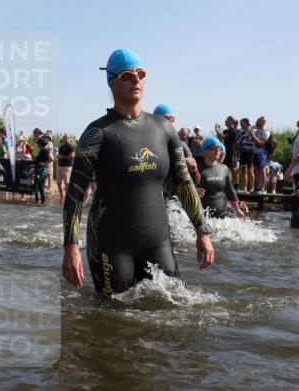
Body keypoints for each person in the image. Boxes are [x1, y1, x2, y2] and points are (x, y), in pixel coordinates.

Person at [62, 49, 213, 296]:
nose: (136, 79)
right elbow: (74, 195)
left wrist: (202, 231)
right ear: (112, 82)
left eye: (140, 74)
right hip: (111, 243)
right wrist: (70, 247)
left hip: (158, 241)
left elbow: (183, 183)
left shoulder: (163, 128)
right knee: (112, 319)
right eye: (127, 75)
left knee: (174, 311)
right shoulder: (97, 133)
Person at [197, 136, 245, 219]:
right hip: (204, 217)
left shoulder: (224, 169)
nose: (217, 150)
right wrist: (194, 189)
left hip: (222, 216)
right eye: (214, 148)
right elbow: (184, 189)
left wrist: (237, 209)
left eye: (219, 148)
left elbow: (230, 191)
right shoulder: (197, 169)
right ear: (205, 151)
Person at [250, 116, 271, 193]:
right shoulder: (257, 131)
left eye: (258, 120)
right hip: (255, 153)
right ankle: (257, 187)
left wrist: (254, 136)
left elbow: (261, 143)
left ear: (262, 122)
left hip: (262, 153)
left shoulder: (265, 132)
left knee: (261, 170)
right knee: (256, 170)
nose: (256, 121)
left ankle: (263, 188)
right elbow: (252, 140)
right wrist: (251, 136)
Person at [55, 134, 75, 202]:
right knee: (58, 183)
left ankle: (67, 197)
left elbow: (72, 156)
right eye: (64, 137)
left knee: (67, 183)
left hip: (67, 166)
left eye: (66, 137)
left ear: (69, 139)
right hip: (60, 166)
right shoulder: (61, 147)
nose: (65, 138)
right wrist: (58, 158)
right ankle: (62, 196)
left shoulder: (71, 147)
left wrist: (62, 157)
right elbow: (59, 156)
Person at [33, 134, 52, 205]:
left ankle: (42, 202)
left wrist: (44, 163)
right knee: (36, 186)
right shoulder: (41, 151)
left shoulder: (45, 150)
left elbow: (51, 158)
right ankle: (38, 201)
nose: (37, 144)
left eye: (38, 143)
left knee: (39, 186)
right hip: (38, 170)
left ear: (40, 144)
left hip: (42, 170)